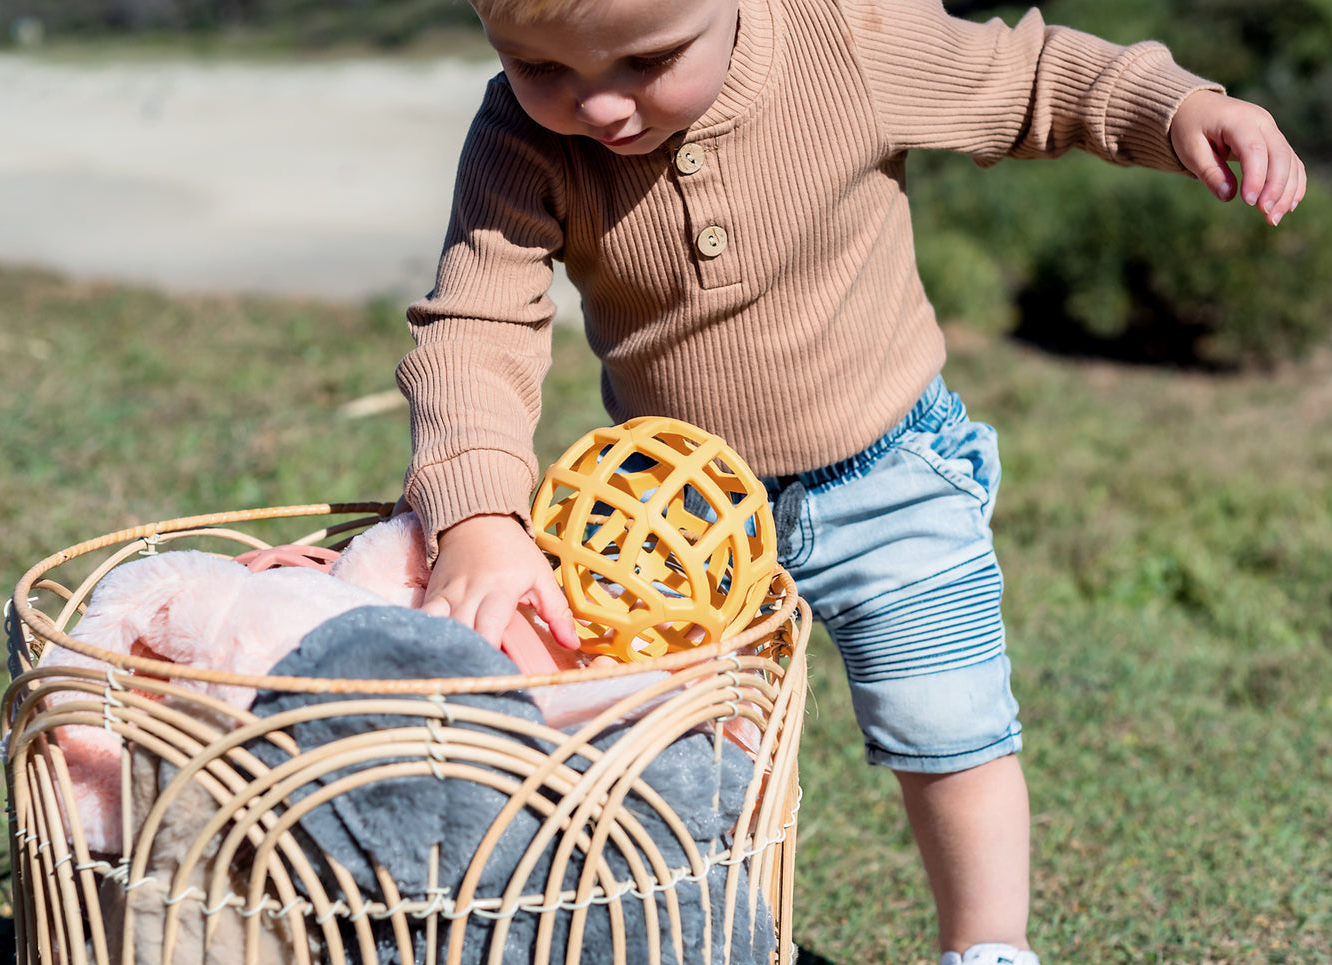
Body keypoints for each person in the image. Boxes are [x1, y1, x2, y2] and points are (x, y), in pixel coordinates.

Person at [393, 0, 1307, 961]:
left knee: (949, 724)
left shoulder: (848, 37)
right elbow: (477, 324)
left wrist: (1173, 108)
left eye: (647, 60)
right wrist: (479, 513)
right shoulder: (517, 137)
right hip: (683, 514)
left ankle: (987, 944)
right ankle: (707, 933)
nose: (603, 109)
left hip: (888, 476)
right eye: (542, 69)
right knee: (690, 754)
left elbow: (1032, 78)